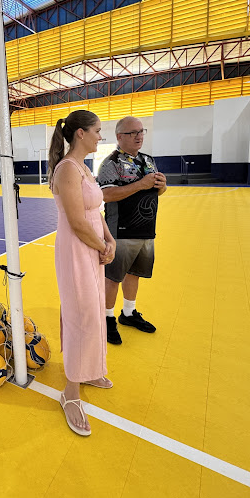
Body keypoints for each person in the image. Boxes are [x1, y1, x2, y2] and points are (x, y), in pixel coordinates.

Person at [48, 110, 116, 436]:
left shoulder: (85, 170)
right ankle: (70, 393)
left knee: (94, 313)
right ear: (80, 134)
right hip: (77, 251)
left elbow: (96, 211)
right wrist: (101, 246)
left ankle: (89, 370)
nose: (101, 136)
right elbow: (76, 221)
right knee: (81, 315)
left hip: (94, 248)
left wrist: (109, 238)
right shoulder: (66, 170)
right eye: (97, 131)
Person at [97, 116, 167, 346]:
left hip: (146, 229)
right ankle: (107, 319)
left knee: (134, 273)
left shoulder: (148, 160)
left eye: (141, 131)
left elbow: (153, 191)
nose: (139, 135)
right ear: (119, 137)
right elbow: (105, 195)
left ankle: (128, 313)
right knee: (113, 277)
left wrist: (162, 187)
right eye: (132, 132)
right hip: (121, 230)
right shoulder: (111, 163)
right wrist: (141, 184)